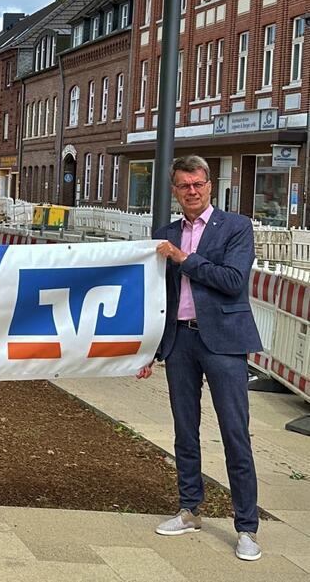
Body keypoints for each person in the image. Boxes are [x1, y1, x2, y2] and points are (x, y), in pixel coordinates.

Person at [138, 155, 263, 561]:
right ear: (174, 191)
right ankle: (190, 508)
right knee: (184, 432)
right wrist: (149, 350)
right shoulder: (165, 233)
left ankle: (246, 527)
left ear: (210, 186)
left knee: (234, 434)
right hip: (181, 344)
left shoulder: (236, 227)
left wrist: (185, 260)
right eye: (183, 186)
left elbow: (232, 281)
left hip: (224, 343)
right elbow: (158, 298)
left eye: (198, 184)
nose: (192, 191)